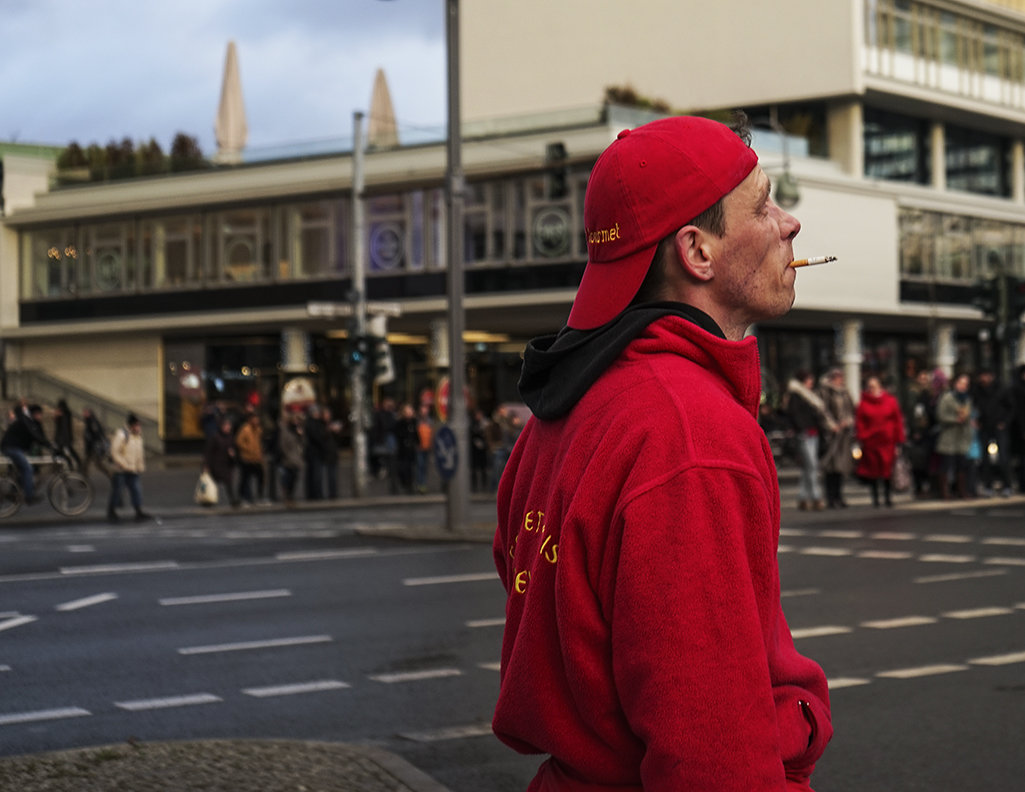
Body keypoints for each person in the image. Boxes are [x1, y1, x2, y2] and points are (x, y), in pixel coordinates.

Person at [492, 115, 832, 790]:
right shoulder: (690, 433)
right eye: (762, 204)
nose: (788, 223)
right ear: (696, 252)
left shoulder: (556, 419)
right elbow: (710, 749)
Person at [783, 370, 835, 510]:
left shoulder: (809, 396)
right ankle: (815, 496)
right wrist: (802, 428)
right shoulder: (796, 396)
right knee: (811, 466)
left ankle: (803, 498)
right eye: (809, 379)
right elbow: (793, 415)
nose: (811, 382)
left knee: (807, 467)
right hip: (805, 434)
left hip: (813, 434)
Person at [855, 376, 906, 507]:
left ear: (880, 386)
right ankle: (875, 498)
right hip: (871, 442)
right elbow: (860, 422)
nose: (872, 389)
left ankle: (888, 497)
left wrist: (899, 441)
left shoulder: (890, 401)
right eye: (869, 386)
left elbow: (897, 421)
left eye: (874, 386)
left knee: (887, 470)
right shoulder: (863, 403)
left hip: (887, 441)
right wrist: (862, 437)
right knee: (873, 471)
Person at [818, 368, 856, 508]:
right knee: (830, 467)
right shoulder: (825, 392)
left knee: (841, 467)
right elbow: (823, 411)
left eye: (841, 376)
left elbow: (851, 409)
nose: (840, 379)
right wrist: (832, 425)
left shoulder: (845, 392)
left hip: (844, 435)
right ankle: (830, 497)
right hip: (832, 435)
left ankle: (839, 496)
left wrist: (848, 421)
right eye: (837, 377)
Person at [972, 368, 1014, 497]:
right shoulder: (977, 391)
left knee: (1003, 458)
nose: (983, 379)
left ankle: (1007, 485)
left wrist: (1004, 422)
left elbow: (1011, 408)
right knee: (985, 459)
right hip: (985, 427)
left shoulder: (1002, 389)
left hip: (999, 427)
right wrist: (977, 420)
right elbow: (975, 407)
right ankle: (988, 485)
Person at [1, 403, 52, 505]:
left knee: (24, 469)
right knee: (27, 468)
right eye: (39, 414)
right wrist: (51, 447)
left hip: (14, 447)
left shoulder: (31, 422)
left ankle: (14, 492)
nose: (40, 416)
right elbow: (36, 436)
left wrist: (50, 445)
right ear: (34, 414)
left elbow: (40, 436)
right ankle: (29, 497)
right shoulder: (27, 422)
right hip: (11, 448)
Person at [934, 372, 974, 499]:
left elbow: (969, 415)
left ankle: (961, 491)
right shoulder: (947, 398)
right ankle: (944, 492)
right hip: (948, 436)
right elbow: (940, 415)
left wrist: (966, 419)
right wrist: (955, 420)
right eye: (961, 383)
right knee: (946, 465)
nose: (963, 386)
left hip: (962, 437)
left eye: (966, 384)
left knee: (961, 465)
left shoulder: (967, 399)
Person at [107, 413, 150, 522]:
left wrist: (140, 466)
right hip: (121, 469)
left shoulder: (138, 435)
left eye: (139, 425)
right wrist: (123, 464)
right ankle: (111, 511)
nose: (139, 427)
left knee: (136, 490)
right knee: (118, 491)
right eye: (137, 425)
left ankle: (138, 511)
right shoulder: (122, 434)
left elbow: (139, 453)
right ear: (131, 425)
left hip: (133, 469)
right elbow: (114, 451)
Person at [203, 416, 239, 508]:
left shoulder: (230, 437)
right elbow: (209, 452)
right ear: (221, 427)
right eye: (226, 426)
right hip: (216, 465)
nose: (228, 427)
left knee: (229, 483)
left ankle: (233, 500)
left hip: (227, 465)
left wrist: (233, 455)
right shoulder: (215, 437)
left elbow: (234, 449)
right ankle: (210, 499)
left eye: (229, 425)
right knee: (213, 484)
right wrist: (206, 465)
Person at [234, 412, 265, 506]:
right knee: (245, 479)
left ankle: (259, 496)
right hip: (247, 458)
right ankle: (244, 497)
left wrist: (260, 451)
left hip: (257, 458)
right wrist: (248, 449)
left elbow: (259, 441)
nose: (257, 421)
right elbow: (238, 442)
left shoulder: (258, 430)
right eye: (255, 419)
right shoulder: (245, 429)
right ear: (250, 420)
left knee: (261, 477)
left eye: (257, 419)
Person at [277, 410, 304, 507]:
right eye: (295, 420)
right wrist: (288, 456)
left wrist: (300, 435)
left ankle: (291, 497)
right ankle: (287, 498)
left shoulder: (297, 431)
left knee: (294, 480)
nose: (296, 422)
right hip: (287, 460)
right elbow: (283, 446)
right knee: (287, 480)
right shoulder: (285, 431)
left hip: (296, 459)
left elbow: (301, 444)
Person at [81, 407, 111, 478]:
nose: (83, 414)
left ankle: (111, 475)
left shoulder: (92, 422)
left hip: (93, 447)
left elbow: (97, 434)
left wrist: (91, 440)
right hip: (90, 446)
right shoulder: (88, 421)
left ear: (89, 413)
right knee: (86, 463)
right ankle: (83, 479)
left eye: (85, 412)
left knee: (97, 464)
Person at [53, 399, 82, 470]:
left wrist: (62, 439)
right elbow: (57, 423)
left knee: (66, 451)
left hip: (64, 438)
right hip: (63, 437)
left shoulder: (66, 413)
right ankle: (71, 464)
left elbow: (64, 427)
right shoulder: (63, 414)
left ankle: (74, 464)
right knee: (62, 451)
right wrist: (56, 416)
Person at [414, 404, 434, 494]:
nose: (424, 412)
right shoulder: (417, 421)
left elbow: (432, 434)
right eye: (422, 411)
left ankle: (423, 484)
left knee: (424, 467)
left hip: (427, 447)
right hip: (419, 448)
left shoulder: (430, 421)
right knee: (420, 466)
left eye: (425, 410)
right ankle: (420, 484)